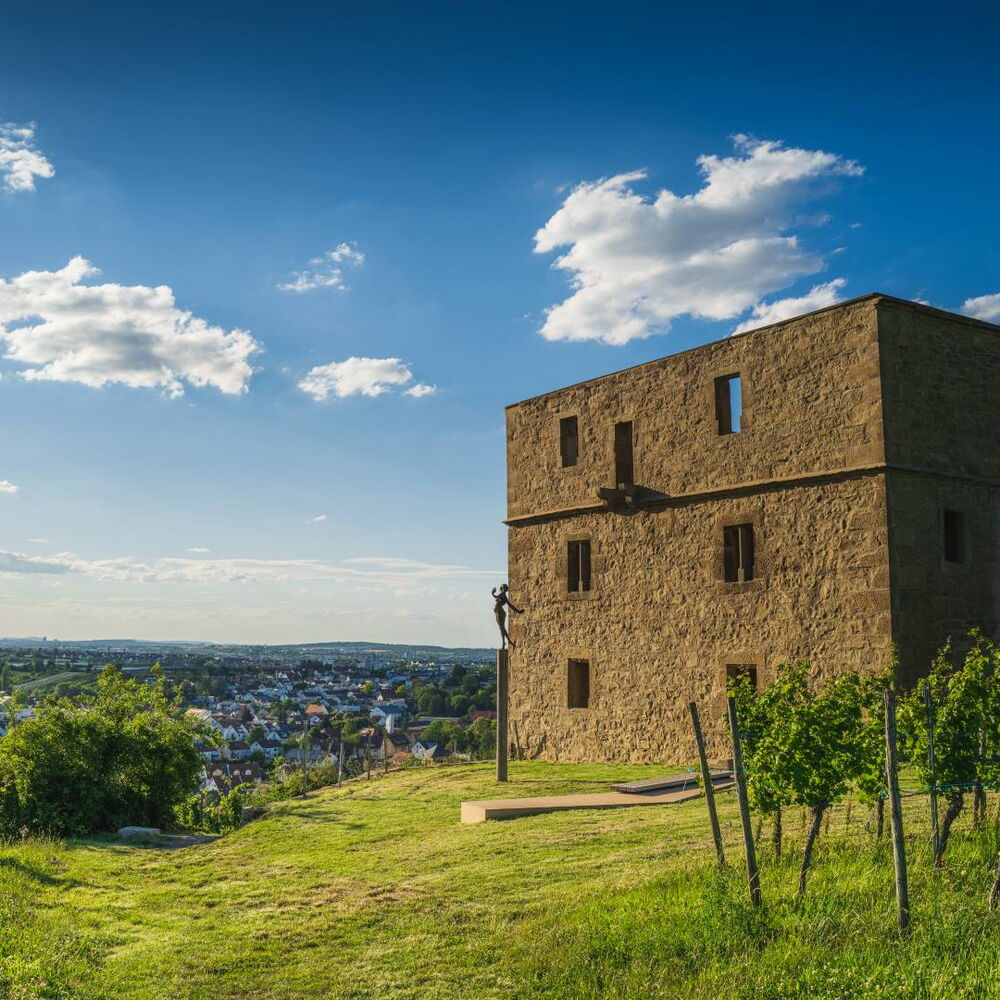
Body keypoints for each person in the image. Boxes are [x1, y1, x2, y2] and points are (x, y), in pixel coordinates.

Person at [491, 583, 523, 649]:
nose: (502, 588)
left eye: (503, 587)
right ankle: (505, 642)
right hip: (498, 612)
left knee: (502, 627)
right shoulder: (504, 595)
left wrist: (492, 593)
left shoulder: (502, 594)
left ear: (503, 588)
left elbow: (495, 596)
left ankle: (507, 641)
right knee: (501, 628)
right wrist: (518, 611)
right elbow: (511, 605)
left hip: (500, 612)